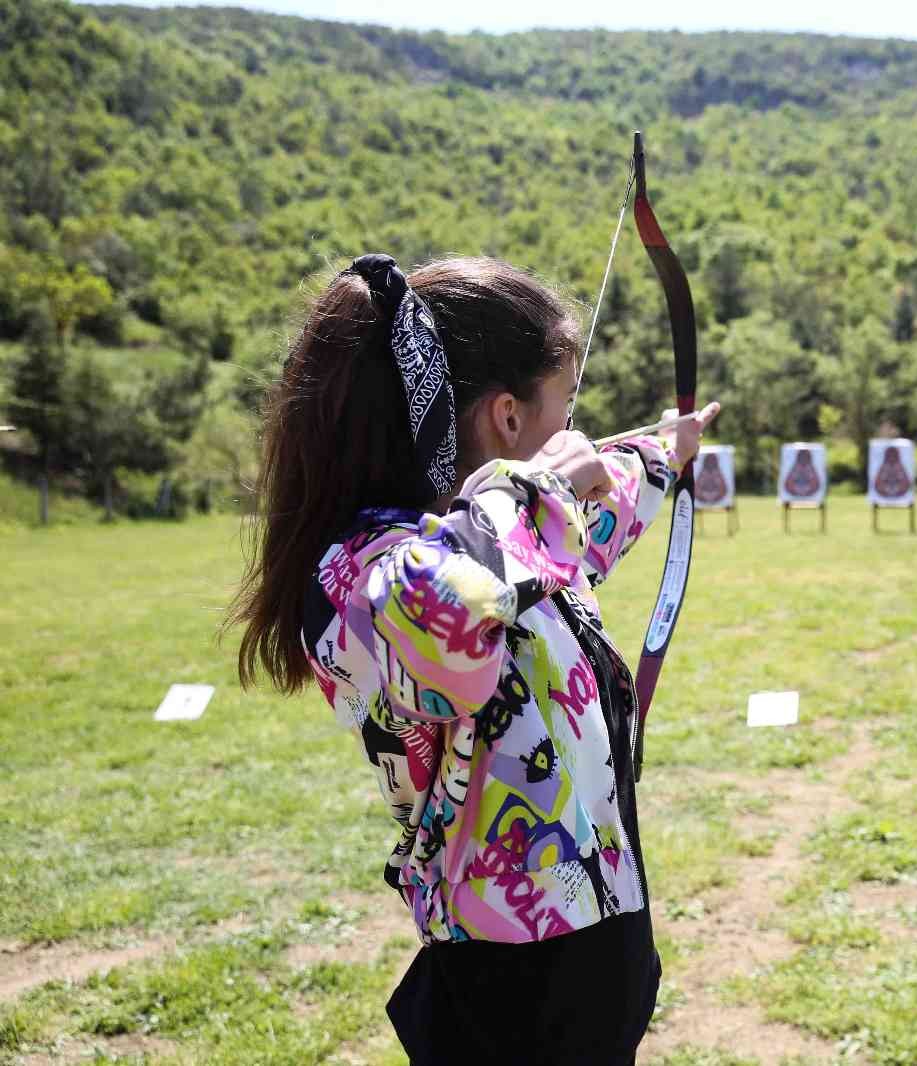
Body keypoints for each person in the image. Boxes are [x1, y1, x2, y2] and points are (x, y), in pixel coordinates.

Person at [228, 253, 719, 1064]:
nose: (577, 432)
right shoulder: (367, 566)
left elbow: (590, 519)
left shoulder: (525, 541)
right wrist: (535, 488)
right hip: (509, 989)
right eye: (567, 406)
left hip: (595, 953)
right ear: (509, 418)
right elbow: (453, 606)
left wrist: (664, 449)